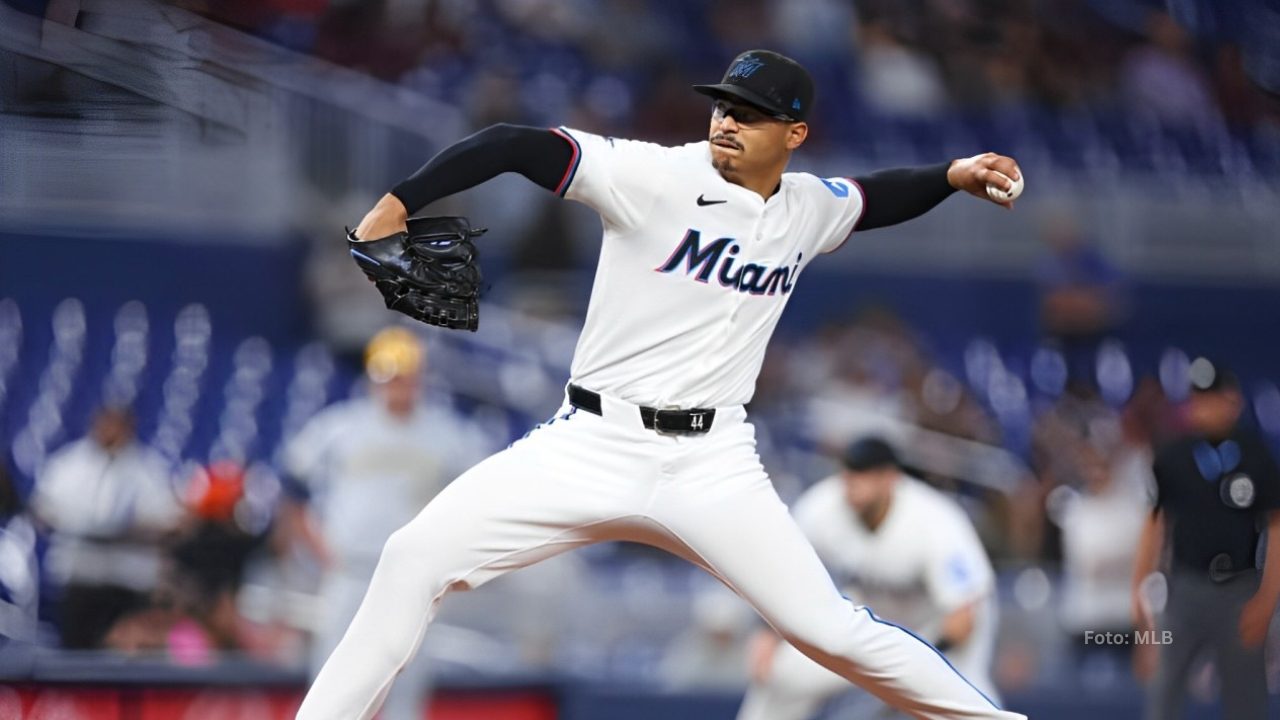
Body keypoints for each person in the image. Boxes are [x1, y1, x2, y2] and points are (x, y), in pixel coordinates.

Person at [299, 49, 1026, 720]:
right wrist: (402, 198)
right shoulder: (653, 176)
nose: (727, 122)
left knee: (829, 631)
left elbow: (875, 197)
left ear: (795, 133)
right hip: (590, 442)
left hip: (712, 465)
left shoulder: (807, 207)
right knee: (411, 558)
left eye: (749, 112)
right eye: (722, 106)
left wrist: (953, 176)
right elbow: (514, 143)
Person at [281, 327, 483, 720]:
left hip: (413, 577)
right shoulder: (341, 426)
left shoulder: (447, 433)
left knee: (406, 687)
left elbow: (477, 496)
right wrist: (316, 546)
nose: (396, 386)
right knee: (331, 681)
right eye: (388, 376)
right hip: (349, 571)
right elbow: (293, 486)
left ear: (419, 377)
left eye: (403, 376)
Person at [736, 436, 999, 720]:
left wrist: (912, 670)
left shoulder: (936, 521)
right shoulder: (823, 506)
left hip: (936, 629)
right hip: (870, 619)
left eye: (864, 476)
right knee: (783, 676)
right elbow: (781, 569)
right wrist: (765, 632)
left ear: (890, 478)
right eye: (849, 475)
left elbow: (962, 620)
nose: (853, 485)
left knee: (966, 705)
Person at [1131, 357, 1280, 719]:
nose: (1205, 408)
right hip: (1184, 589)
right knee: (1162, 694)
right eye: (1198, 398)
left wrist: (1266, 598)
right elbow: (1154, 523)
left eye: (1213, 397)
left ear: (1233, 401)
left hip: (1238, 590)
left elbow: (1276, 526)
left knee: (1246, 700)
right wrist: (1138, 590)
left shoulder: (1255, 456)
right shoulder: (1173, 457)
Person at [29, 405, 183, 649]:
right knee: (76, 651)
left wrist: (129, 529)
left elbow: (171, 522)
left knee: (127, 653)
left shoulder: (150, 468)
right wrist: (81, 524)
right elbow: (43, 511)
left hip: (129, 579)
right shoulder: (69, 464)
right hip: (81, 575)